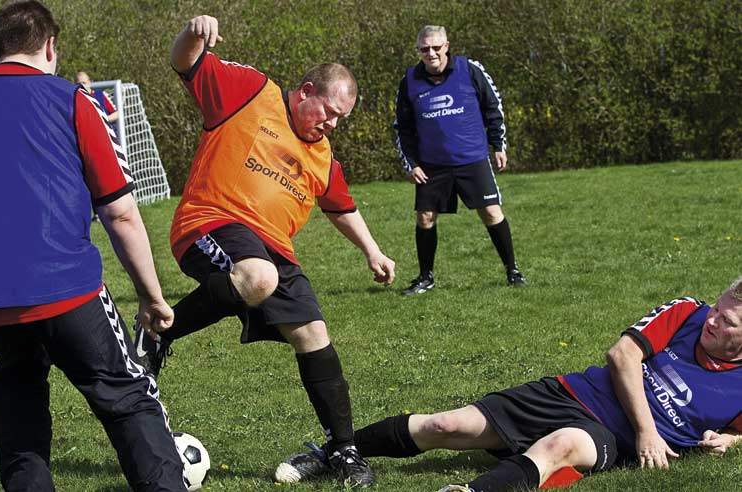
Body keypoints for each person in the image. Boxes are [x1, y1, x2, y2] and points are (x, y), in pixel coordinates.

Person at [0, 2, 185, 491]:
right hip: (65, 289)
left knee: (18, 398)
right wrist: (152, 295)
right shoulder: (72, 100)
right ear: (51, 46)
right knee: (127, 397)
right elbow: (119, 212)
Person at [141, 14, 396, 487]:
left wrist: (373, 251)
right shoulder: (251, 93)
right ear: (304, 91)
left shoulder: (322, 157)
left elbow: (341, 207)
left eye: (341, 118)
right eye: (329, 111)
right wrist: (193, 32)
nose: (333, 124)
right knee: (259, 277)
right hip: (213, 220)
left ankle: (343, 450)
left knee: (313, 334)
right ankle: (160, 333)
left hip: (273, 250)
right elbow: (185, 62)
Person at [276, 277, 742, 491]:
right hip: (574, 393)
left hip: (608, 437)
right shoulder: (688, 312)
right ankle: (330, 453)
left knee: (562, 446)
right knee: (444, 425)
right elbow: (622, 356)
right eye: (719, 309)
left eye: (728, 322)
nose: (714, 321)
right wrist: (649, 432)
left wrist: (728, 438)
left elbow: (738, 432)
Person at [395, 25, 526, 295]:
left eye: (436, 47)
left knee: (491, 213)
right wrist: (412, 163)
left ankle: (512, 271)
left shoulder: (470, 69)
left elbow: (493, 105)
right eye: (424, 48)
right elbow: (403, 128)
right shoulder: (409, 80)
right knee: (425, 218)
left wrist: (498, 144)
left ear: (446, 46)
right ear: (418, 50)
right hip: (432, 164)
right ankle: (425, 277)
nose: (430, 53)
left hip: (472, 158)